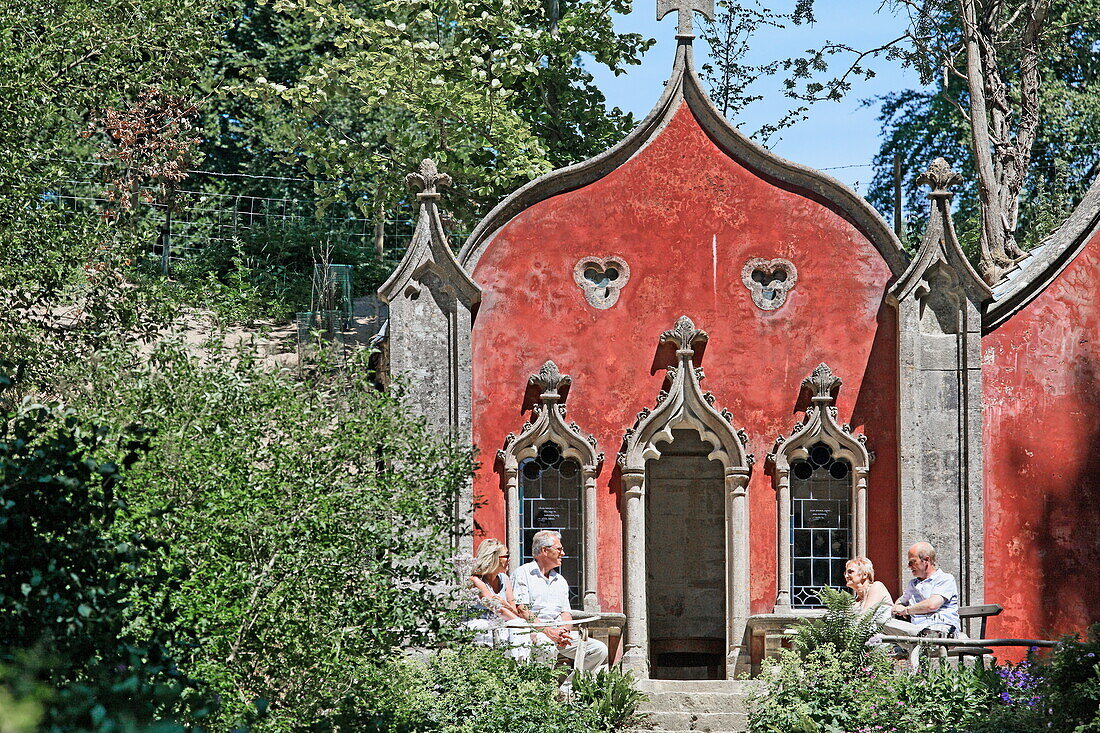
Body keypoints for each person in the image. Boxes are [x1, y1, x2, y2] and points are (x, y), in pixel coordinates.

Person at [512, 529, 607, 682]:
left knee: (598, 650)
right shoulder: (523, 573)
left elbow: (565, 613)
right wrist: (549, 632)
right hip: (533, 633)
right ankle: (542, 691)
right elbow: (522, 610)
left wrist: (564, 632)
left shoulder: (560, 580)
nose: (563, 553)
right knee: (546, 646)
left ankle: (567, 688)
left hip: (558, 634)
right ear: (544, 550)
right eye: (559, 549)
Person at [466, 538, 526, 658]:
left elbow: (513, 612)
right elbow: (497, 609)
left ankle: (519, 667)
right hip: (482, 628)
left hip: (504, 626)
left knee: (518, 630)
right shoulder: (476, 581)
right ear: (493, 558)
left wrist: (506, 604)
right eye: (506, 556)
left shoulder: (505, 579)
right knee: (518, 629)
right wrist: (525, 626)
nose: (509, 559)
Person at [886, 541, 961, 636]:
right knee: (882, 624)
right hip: (917, 631)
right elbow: (900, 602)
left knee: (933, 635)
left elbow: (932, 605)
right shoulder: (913, 584)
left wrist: (906, 610)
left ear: (926, 560)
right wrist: (898, 606)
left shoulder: (945, 579)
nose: (909, 566)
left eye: (912, 562)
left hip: (941, 629)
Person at [844, 556, 893, 623]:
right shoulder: (855, 601)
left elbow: (865, 616)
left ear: (864, 575)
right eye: (845, 573)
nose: (846, 576)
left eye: (850, 572)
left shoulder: (877, 586)